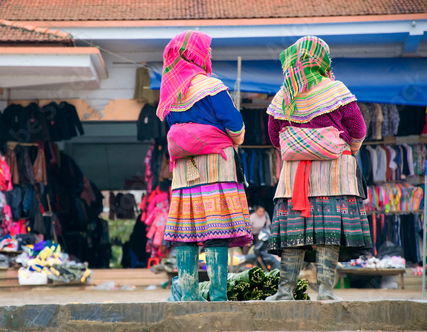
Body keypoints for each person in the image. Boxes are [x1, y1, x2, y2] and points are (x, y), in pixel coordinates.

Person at [266, 36, 372, 301]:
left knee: (294, 233)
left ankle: (284, 293)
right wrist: (348, 149)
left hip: (294, 176)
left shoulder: (285, 95)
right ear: (322, 59)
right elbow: (358, 128)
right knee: (329, 233)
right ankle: (325, 292)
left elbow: (274, 136)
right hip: (334, 174)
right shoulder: (336, 90)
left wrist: (300, 147)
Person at [158, 31, 253, 301]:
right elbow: (235, 124)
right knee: (217, 232)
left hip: (183, 171)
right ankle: (218, 296)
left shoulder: (169, 92)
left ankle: (188, 297)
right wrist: (234, 138)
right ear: (194, 53)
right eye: (206, 50)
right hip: (215, 166)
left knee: (186, 233)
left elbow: (172, 126)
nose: (209, 54)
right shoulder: (210, 86)